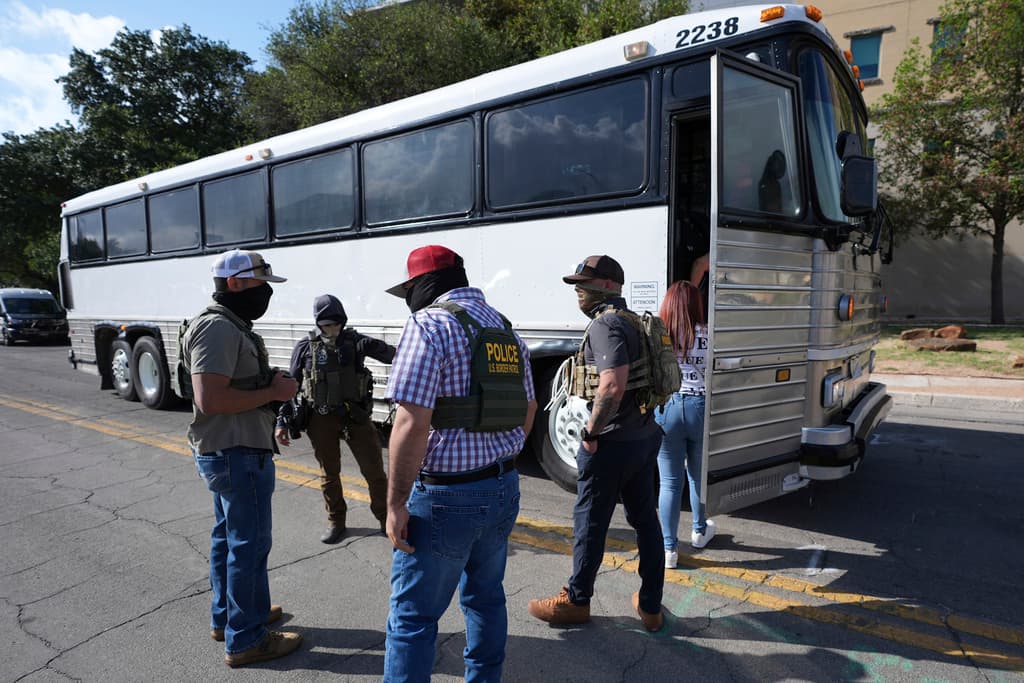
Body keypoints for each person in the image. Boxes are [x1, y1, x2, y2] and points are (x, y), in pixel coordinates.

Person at [381, 244, 537, 683]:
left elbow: (411, 423)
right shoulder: (505, 330)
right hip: (503, 488)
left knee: (412, 618)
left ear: (423, 285)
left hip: (447, 496)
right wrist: (497, 457)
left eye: (410, 289)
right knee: (486, 598)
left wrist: (395, 504)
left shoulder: (429, 325)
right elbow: (529, 409)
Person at [528, 254, 665, 632]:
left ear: (607, 286)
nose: (577, 290)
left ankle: (576, 600)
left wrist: (589, 433)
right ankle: (651, 606)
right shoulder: (635, 320)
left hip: (612, 443)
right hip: (643, 436)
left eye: (584, 283)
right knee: (645, 521)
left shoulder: (606, 325)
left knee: (590, 522)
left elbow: (612, 385)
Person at [181, 249, 303, 668]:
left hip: (234, 449)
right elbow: (210, 399)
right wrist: (273, 393)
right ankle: (247, 639)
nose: (266, 292)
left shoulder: (231, 326)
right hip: (236, 452)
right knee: (248, 547)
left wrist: (267, 383)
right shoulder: (217, 328)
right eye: (259, 283)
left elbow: (228, 384)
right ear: (234, 284)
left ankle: (231, 617)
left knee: (229, 540)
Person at [275, 294, 393, 543]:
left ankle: (386, 519)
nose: (332, 329)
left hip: (355, 415)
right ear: (318, 324)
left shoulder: (356, 342)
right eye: (326, 324)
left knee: (374, 472)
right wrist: (282, 420)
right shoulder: (306, 347)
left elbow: (394, 355)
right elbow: (291, 385)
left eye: (336, 323)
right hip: (321, 418)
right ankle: (336, 521)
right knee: (329, 474)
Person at [655, 280, 715, 571]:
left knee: (669, 482)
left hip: (667, 407)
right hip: (699, 407)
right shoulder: (708, 334)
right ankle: (699, 530)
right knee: (696, 476)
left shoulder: (658, 336)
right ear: (695, 304)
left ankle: (669, 550)